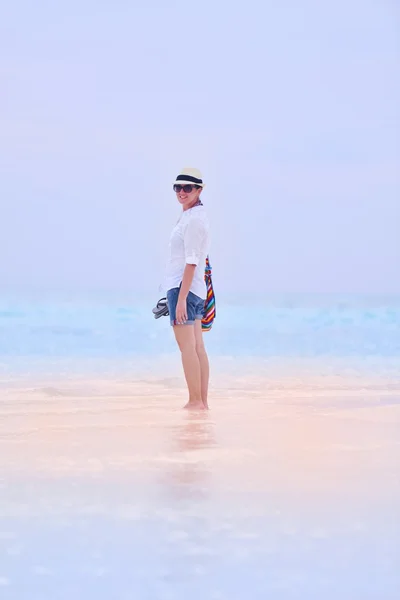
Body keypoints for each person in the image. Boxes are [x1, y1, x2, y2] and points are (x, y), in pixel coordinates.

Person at [165, 167, 211, 410]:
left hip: (185, 289)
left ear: (199, 190)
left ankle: (195, 401)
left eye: (188, 188)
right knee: (197, 347)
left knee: (188, 348)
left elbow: (192, 261)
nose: (182, 192)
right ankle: (201, 402)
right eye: (178, 187)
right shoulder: (194, 216)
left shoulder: (193, 220)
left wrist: (180, 298)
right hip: (192, 289)